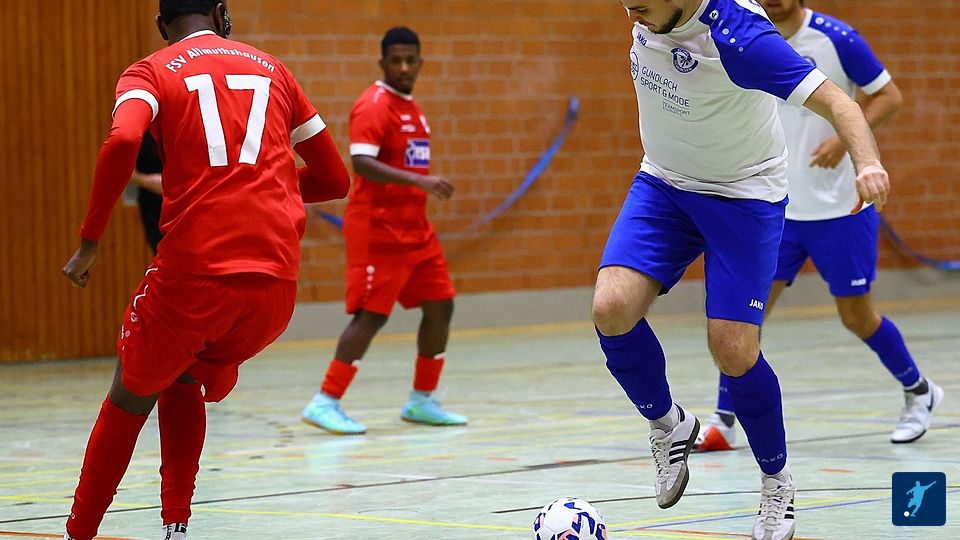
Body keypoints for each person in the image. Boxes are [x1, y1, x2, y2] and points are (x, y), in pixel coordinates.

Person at [593, 1, 890, 539]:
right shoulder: (648, 13)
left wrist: (867, 163)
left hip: (744, 196)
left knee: (733, 349)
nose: (631, 14)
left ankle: (777, 482)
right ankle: (668, 424)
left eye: (642, 4)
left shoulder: (741, 38)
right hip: (664, 184)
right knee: (611, 308)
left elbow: (839, 102)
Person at [60, 2, 351, 539]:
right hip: (275, 288)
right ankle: (177, 527)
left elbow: (123, 140)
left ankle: (77, 533)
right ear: (221, 13)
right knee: (183, 376)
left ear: (161, 25)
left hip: (197, 276)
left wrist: (89, 241)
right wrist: (263, 187)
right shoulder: (274, 69)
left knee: (129, 392)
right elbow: (335, 180)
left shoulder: (150, 70)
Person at [695, 0, 943, 453]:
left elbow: (889, 96)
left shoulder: (838, 38)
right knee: (743, 316)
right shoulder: (742, 34)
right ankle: (725, 419)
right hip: (778, 209)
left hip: (840, 209)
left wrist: (844, 141)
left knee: (857, 316)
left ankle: (919, 390)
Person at [301, 27, 467, 435]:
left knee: (441, 305)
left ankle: (421, 400)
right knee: (371, 315)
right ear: (383, 63)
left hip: (416, 230)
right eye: (396, 61)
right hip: (379, 229)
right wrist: (421, 181)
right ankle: (325, 400)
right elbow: (361, 162)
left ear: (421, 63)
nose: (404, 68)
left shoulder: (414, 109)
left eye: (411, 60)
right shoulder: (374, 105)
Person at [131, 131, 164, 254]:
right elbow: (127, 172)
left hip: (187, 205)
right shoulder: (138, 130)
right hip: (153, 206)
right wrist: (145, 181)